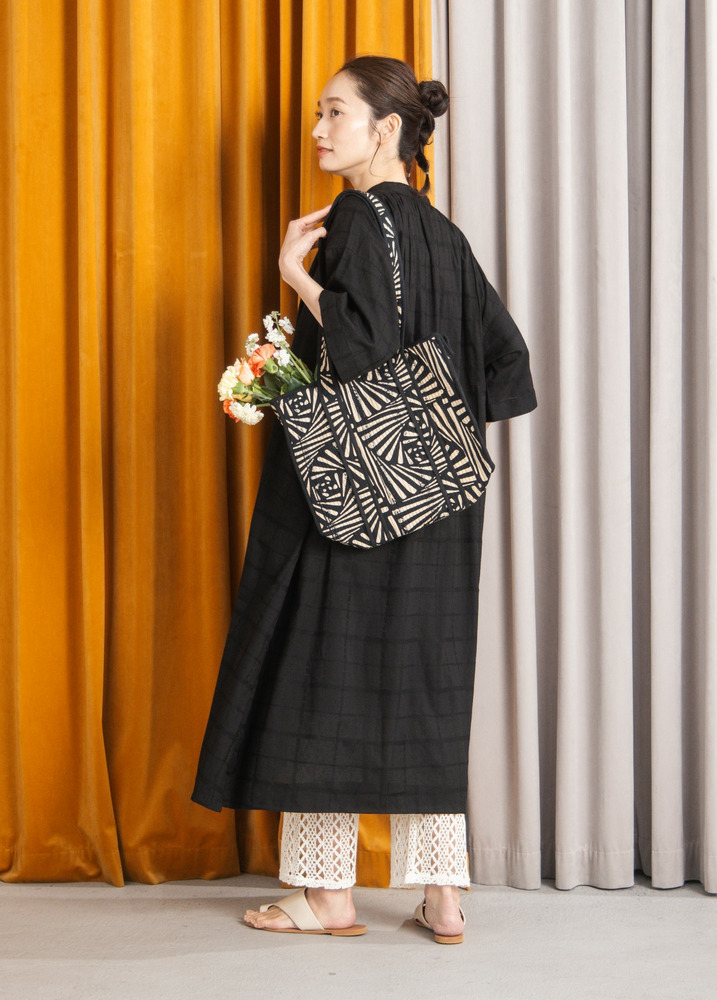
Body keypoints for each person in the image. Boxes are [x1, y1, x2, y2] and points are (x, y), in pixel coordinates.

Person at [192, 55, 536, 943]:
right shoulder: (442, 234)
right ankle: (443, 897)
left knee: (324, 676)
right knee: (425, 686)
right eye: (318, 113)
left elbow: (361, 346)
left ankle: (326, 895)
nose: (317, 130)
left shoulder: (355, 215)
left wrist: (294, 272)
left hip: (353, 500)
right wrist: (432, 433)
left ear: (386, 130)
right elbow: (509, 362)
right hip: (441, 501)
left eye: (334, 112)